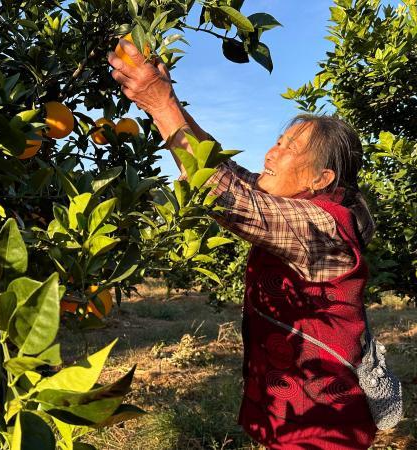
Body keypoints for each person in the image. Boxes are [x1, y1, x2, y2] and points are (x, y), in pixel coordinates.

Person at [108, 39, 379, 449]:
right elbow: (222, 165)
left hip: (322, 426)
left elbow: (228, 197)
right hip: (288, 405)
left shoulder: (322, 226)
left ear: (320, 180)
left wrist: (160, 107)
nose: (272, 152)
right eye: (279, 139)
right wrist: (169, 96)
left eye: (290, 149)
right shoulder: (296, 204)